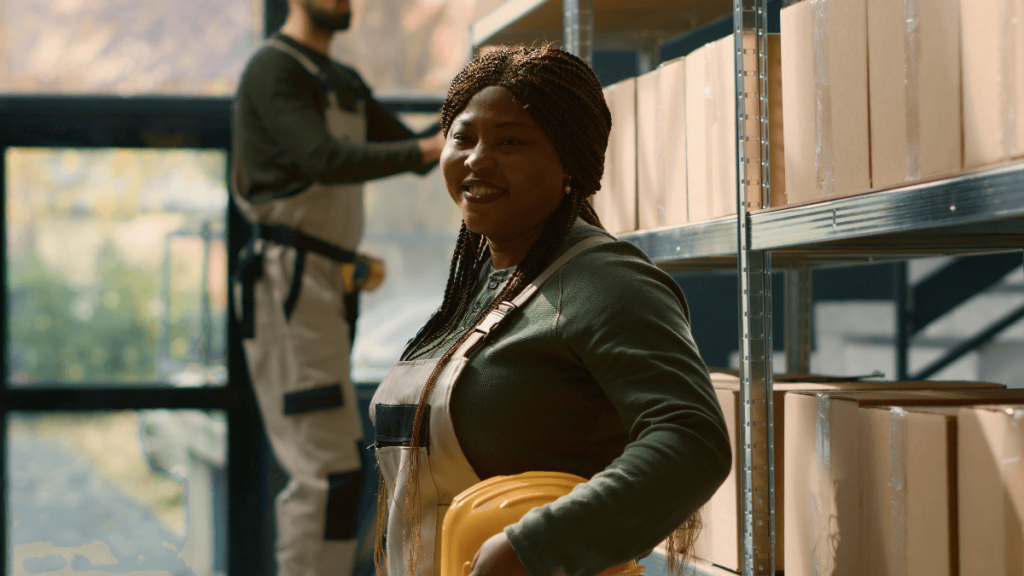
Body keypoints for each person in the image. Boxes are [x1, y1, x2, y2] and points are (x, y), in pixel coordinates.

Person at [369, 45, 732, 576]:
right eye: (462, 138)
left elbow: (691, 439)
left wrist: (532, 547)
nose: (476, 158)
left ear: (569, 160)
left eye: (510, 141)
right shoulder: (480, 287)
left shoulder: (606, 280)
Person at [229, 0, 446, 575]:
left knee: (340, 470)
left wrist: (477, 103)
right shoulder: (275, 68)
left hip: (324, 280)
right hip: (289, 285)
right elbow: (324, 157)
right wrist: (433, 144)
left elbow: (415, 153)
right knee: (326, 472)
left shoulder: (340, 80)